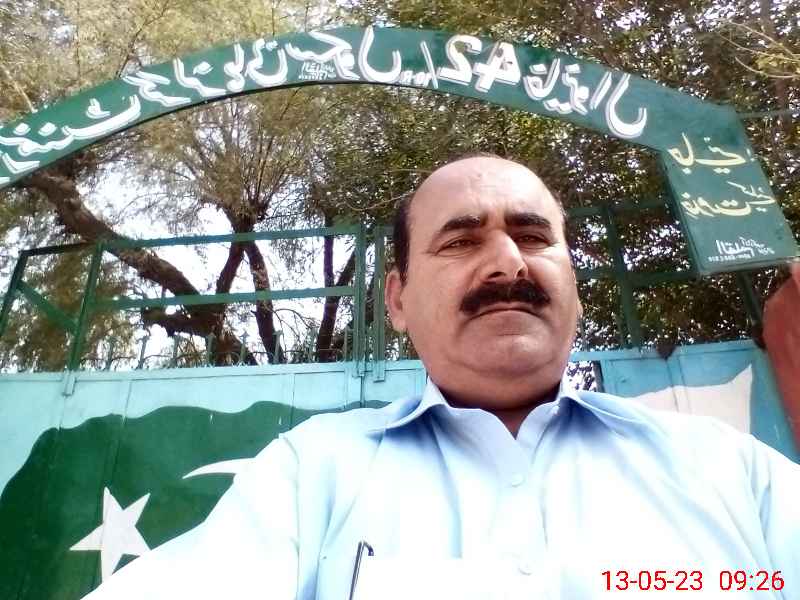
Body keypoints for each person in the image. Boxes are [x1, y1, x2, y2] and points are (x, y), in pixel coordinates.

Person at [86, 156, 799, 599]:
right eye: (461, 240)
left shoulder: (734, 475)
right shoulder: (310, 477)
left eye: (533, 236)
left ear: (576, 288)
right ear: (397, 301)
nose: (509, 263)